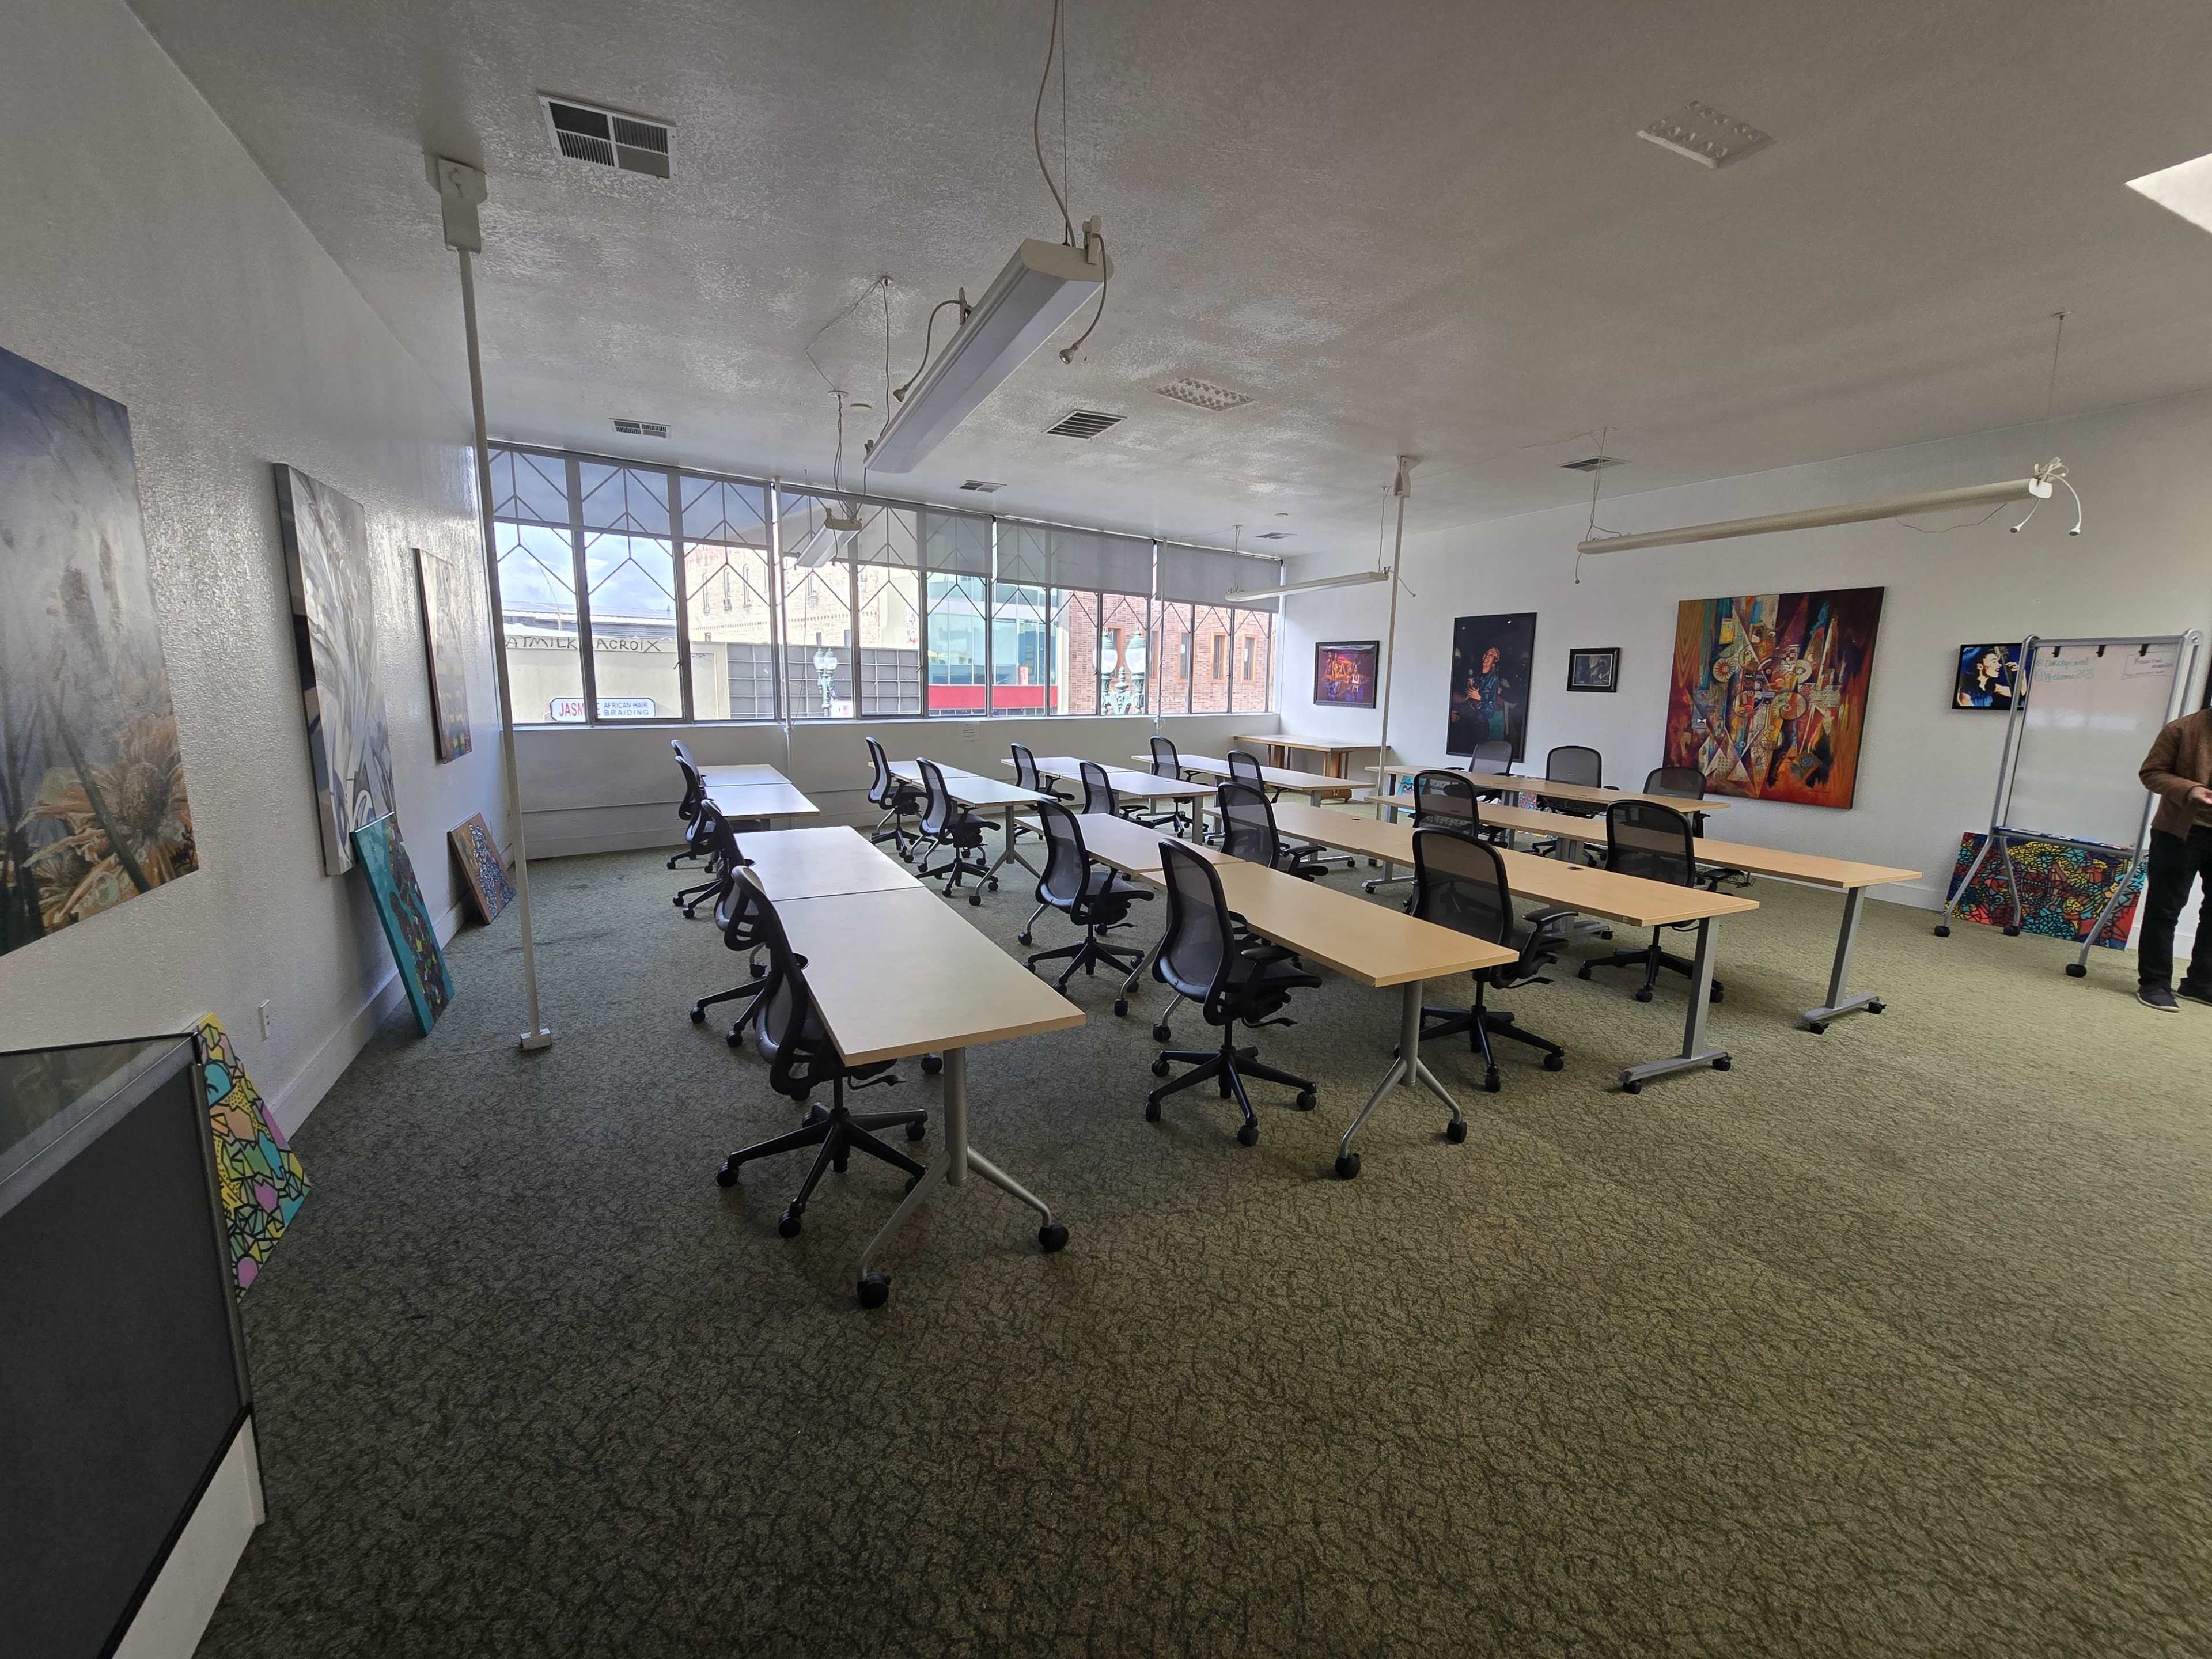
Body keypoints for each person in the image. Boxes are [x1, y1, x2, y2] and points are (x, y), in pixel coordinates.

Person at [2135, 704, 2212, 1011]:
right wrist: (2190, 789)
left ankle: (2200, 984)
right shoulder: (2182, 729)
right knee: (2165, 909)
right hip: (2179, 832)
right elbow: (2151, 773)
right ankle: (2154, 984)